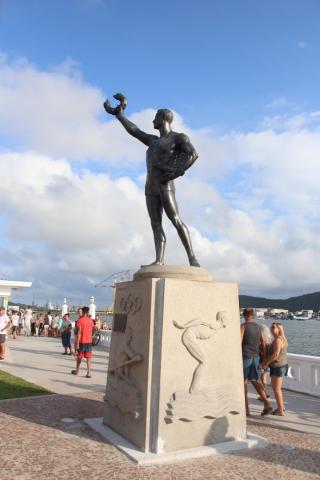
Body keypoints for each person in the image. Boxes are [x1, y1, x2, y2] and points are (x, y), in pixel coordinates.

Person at [104, 96, 200, 267]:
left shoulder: (178, 138)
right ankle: (159, 260)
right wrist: (119, 115)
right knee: (155, 223)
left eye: (155, 117)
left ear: (163, 119)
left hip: (165, 185)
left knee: (175, 219)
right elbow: (135, 131)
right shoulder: (153, 141)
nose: (153, 120)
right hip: (151, 187)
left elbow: (192, 154)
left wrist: (174, 172)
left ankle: (192, 257)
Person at [240, 308, 272, 416]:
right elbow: (263, 343)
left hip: (245, 357)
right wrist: (264, 357)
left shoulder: (243, 326)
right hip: (256, 357)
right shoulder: (258, 327)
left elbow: (238, 343)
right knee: (255, 380)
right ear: (253, 315)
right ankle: (267, 404)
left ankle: (246, 410)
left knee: (243, 382)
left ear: (244, 315)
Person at [261, 322, 288, 416]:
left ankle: (280, 410)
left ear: (279, 329)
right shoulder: (281, 339)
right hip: (281, 366)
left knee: (276, 389)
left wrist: (266, 363)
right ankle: (281, 407)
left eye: (273, 328)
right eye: (271, 327)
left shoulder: (277, 340)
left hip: (278, 366)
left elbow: (275, 354)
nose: (271, 329)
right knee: (277, 389)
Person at [71, 306, 93, 378]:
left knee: (79, 357)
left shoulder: (80, 320)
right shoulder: (91, 320)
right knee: (88, 357)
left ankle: (77, 371)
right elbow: (92, 330)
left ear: (83, 312)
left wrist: (77, 344)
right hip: (89, 341)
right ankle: (89, 372)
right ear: (88, 312)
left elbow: (79, 333)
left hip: (82, 341)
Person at [257, 324, 272, 400]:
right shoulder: (268, 340)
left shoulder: (261, 341)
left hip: (261, 362)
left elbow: (263, 352)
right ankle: (265, 393)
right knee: (264, 379)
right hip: (266, 363)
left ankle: (263, 394)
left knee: (259, 380)